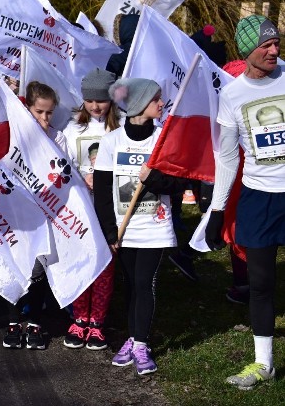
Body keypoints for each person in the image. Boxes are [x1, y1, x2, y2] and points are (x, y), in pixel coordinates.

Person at [207, 15, 283, 389]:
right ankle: (263, 363)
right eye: (266, 45)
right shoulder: (232, 95)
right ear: (246, 51)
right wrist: (217, 209)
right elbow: (226, 158)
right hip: (258, 195)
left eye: (276, 42)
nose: (274, 49)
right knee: (261, 281)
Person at [93, 78, 187, 376]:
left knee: (145, 283)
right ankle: (132, 339)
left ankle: (142, 344)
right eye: (156, 98)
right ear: (139, 105)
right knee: (131, 285)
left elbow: (178, 185)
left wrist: (154, 178)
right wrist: (109, 232)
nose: (162, 103)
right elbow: (104, 192)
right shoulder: (112, 142)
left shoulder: (163, 139)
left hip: (154, 228)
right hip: (124, 230)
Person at [2, 81, 69, 351]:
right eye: (38, 112)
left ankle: (34, 321)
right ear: (26, 109)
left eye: (48, 113)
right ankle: (13, 320)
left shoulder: (58, 138)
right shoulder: (14, 138)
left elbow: (64, 176)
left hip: (46, 214)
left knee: (40, 266)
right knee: (18, 265)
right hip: (18, 215)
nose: (43, 118)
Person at [62, 68, 120, 350]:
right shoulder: (73, 129)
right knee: (80, 261)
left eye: (101, 100)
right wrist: (79, 178)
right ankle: (78, 318)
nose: (96, 106)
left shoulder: (118, 128)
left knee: (105, 263)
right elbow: (63, 165)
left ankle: (97, 320)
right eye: (90, 100)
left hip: (107, 206)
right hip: (80, 206)